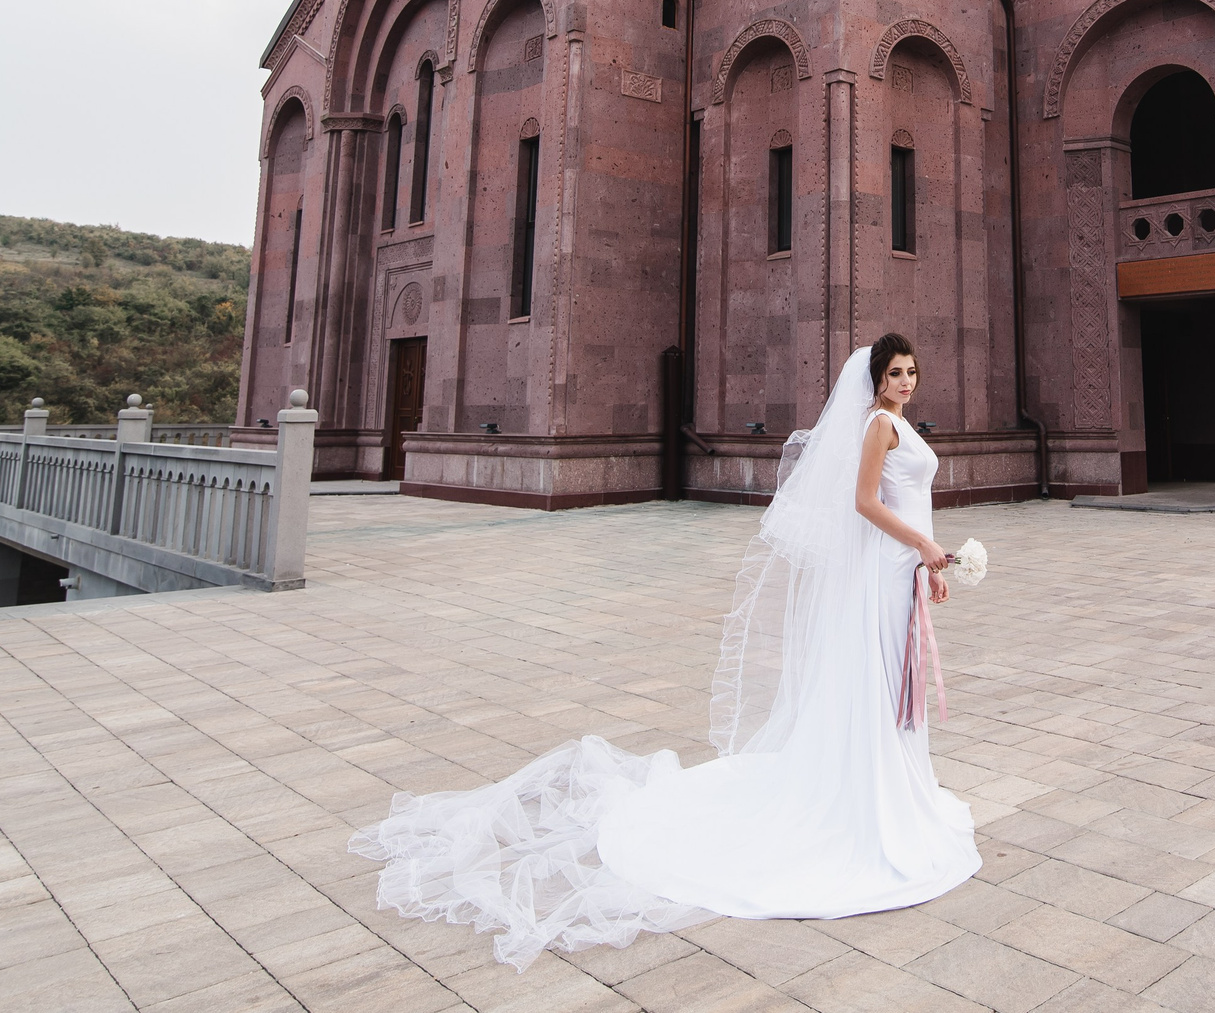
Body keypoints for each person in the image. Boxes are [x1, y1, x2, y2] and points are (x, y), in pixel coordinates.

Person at [350, 331, 980, 970]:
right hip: (881, 570)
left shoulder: (904, 424)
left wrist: (928, 563)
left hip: (901, 570)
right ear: (875, 381)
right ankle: (864, 801)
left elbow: (907, 500)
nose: (905, 382)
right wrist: (922, 547)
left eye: (911, 372)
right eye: (895, 373)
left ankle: (900, 790)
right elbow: (865, 502)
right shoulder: (878, 426)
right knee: (875, 679)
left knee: (897, 680)